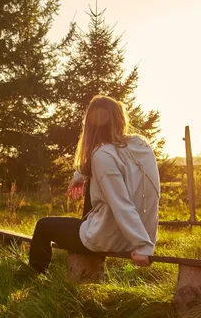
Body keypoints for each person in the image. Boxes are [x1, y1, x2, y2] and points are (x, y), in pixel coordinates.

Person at [28, 95, 161, 274]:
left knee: (44, 226)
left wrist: (143, 246)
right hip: (138, 235)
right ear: (121, 119)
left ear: (90, 125)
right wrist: (81, 175)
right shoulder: (141, 145)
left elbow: (121, 204)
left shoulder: (102, 154)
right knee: (93, 194)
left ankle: (34, 278)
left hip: (112, 239)